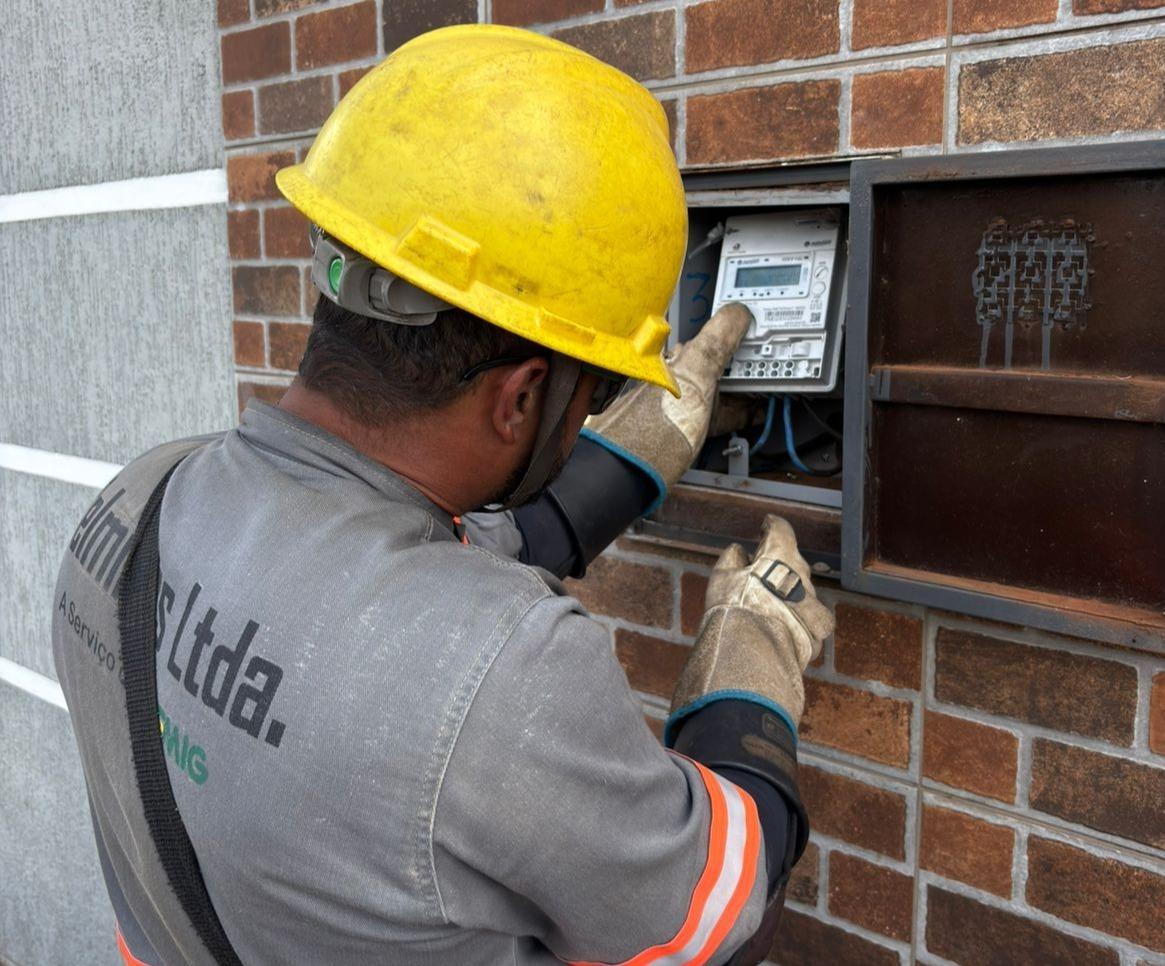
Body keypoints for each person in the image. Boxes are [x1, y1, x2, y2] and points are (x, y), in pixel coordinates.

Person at [52, 24, 833, 966]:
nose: (592, 408)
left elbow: (390, 593)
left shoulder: (134, 503)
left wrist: (628, 460)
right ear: (521, 398)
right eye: (592, 391)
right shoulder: (506, 675)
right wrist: (751, 663)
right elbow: (717, 916)